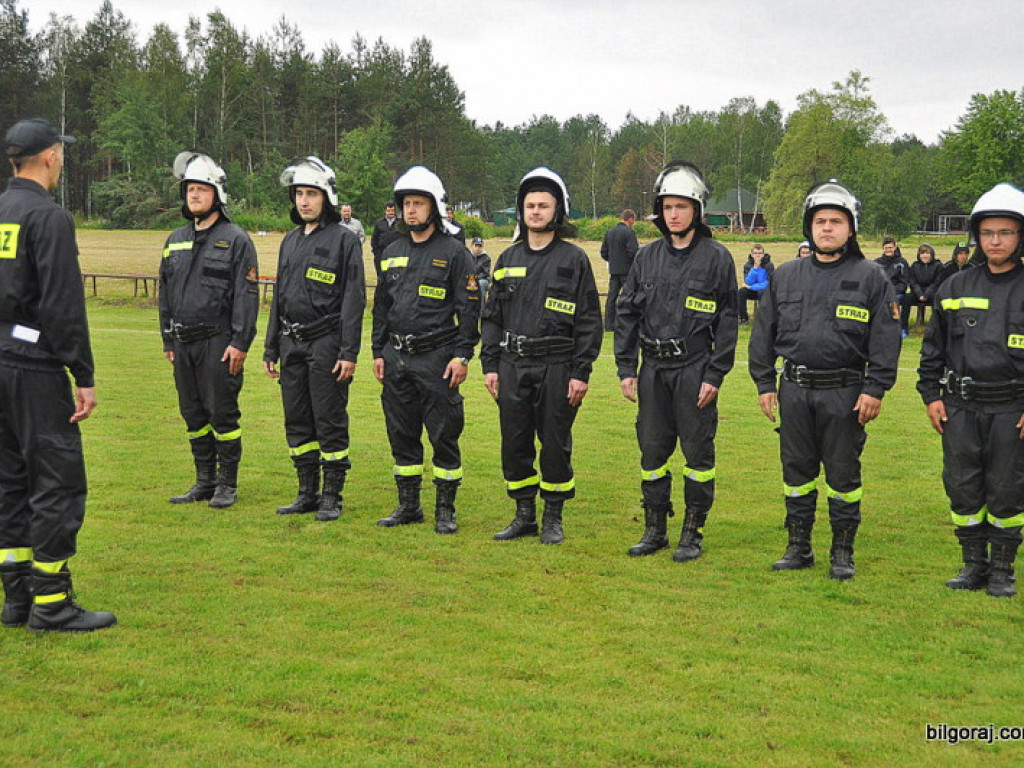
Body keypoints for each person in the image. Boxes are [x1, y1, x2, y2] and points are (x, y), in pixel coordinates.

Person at [749, 180, 901, 580]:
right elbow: (762, 333)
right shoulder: (786, 275)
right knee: (796, 473)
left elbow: (886, 341)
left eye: (836, 221)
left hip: (845, 393)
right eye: (820, 220)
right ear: (809, 227)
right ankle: (798, 546)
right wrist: (765, 383)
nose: (827, 228)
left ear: (850, 229)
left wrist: (875, 388)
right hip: (795, 389)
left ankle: (842, 551)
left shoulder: (871, 278)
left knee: (843, 475)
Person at [0, 118, 115, 632]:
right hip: (34, 366)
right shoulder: (48, 218)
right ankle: (51, 601)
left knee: (9, 480)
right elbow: (63, 304)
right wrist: (82, 373)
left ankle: (16, 597)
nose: (63, 159)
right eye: (61, 153)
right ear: (48, 157)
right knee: (56, 478)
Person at [615, 161, 738, 560]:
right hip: (652, 371)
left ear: (697, 210)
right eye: (667, 207)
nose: (673, 214)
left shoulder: (717, 259)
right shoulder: (646, 258)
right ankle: (655, 529)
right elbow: (627, 312)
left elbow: (728, 322)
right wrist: (625, 368)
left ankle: (692, 532)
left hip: (695, 369)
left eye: (681, 207)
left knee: (698, 455)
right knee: (651, 452)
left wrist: (715, 375)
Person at [481, 167, 602, 545]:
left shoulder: (574, 259)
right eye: (530, 205)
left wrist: (580, 372)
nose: (535, 211)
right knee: (514, 442)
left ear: (557, 210)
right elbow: (492, 317)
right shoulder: (507, 258)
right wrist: (490, 365)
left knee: (554, 443)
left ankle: (553, 516)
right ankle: (523, 515)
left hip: (557, 366)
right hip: (512, 366)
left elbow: (588, 321)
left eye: (543, 205)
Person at [917, 183, 1024, 598]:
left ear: (1020, 237)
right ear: (976, 237)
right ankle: (972, 564)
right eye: (988, 233)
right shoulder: (956, 287)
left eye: (1006, 232)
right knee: (962, 486)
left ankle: (1002, 570)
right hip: (960, 407)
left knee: (1006, 487)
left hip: (1010, 409)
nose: (995, 241)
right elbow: (932, 350)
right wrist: (931, 395)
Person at [371, 166, 480, 534]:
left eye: (418, 203)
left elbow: (469, 309)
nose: (411, 210)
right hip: (396, 357)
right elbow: (381, 306)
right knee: (401, 433)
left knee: (443, 433)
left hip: (437, 358)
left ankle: (446, 509)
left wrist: (462, 356)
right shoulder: (391, 249)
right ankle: (408, 505)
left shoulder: (454, 253)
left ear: (434, 207)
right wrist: (377, 352)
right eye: (406, 204)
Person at [263, 158, 365, 522]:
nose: (304, 201)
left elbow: (354, 299)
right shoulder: (289, 241)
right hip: (291, 344)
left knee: (329, 419)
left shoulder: (344, 240)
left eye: (311, 194)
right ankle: (306, 492)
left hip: (326, 344)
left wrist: (348, 351)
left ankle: (332, 496)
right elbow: (278, 297)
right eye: (299, 194)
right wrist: (271, 345)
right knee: (297, 419)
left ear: (327, 198)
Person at [159, 151, 260, 509]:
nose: (194, 195)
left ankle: (227, 485)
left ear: (217, 194)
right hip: (183, 343)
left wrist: (240, 342)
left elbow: (247, 296)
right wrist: (168, 338)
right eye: (189, 189)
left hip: (219, 343)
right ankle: (204, 480)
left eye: (202, 189)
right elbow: (165, 293)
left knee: (223, 415)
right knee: (194, 415)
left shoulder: (236, 240)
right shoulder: (175, 239)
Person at [600, 209, 639, 331]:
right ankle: (626, 323)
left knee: (611, 298)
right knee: (629, 298)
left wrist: (612, 261)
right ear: (631, 219)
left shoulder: (609, 232)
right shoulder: (630, 233)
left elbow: (603, 252)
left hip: (614, 270)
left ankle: (609, 325)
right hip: (627, 271)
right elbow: (633, 251)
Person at [901, 243, 943, 334]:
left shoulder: (938, 266)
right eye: (922, 253)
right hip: (917, 292)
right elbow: (912, 282)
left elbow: (937, 282)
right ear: (919, 255)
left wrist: (926, 294)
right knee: (906, 298)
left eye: (927, 253)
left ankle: (936, 328)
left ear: (932, 254)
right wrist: (919, 294)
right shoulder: (915, 266)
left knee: (937, 300)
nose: (925, 256)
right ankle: (903, 327)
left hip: (932, 292)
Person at [875, 236, 909, 337]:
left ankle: (900, 328)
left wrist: (891, 291)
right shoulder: (877, 263)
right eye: (886, 248)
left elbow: (904, 282)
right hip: (882, 292)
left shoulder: (902, 262)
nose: (888, 250)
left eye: (890, 247)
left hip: (897, 293)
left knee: (894, 302)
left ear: (895, 247)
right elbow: (875, 281)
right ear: (883, 248)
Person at [737, 244, 774, 325]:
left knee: (762, 292)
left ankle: (762, 318)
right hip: (752, 291)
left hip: (764, 291)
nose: (758, 255)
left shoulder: (769, 265)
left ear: (763, 254)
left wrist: (751, 287)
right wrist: (755, 268)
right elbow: (748, 282)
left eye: (760, 253)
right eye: (756, 253)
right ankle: (743, 318)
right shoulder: (748, 265)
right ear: (752, 254)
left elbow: (768, 283)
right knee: (741, 292)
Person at [370, 201, 402, 277]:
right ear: (385, 211)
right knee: (381, 276)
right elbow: (374, 238)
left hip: (396, 254)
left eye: (392, 211)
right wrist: (376, 252)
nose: (390, 212)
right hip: (381, 253)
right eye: (388, 211)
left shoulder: (400, 223)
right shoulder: (379, 222)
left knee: (393, 275)